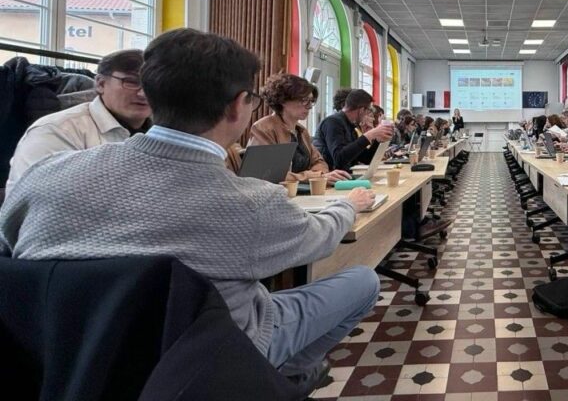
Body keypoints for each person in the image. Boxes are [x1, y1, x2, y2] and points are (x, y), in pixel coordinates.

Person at [0, 29, 380, 395]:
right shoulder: (248, 204)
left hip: (63, 359)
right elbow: (319, 238)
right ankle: (278, 378)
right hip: (211, 354)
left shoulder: (46, 175)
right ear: (237, 105)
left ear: (151, 93)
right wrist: (346, 206)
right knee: (363, 281)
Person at [6, 49, 152, 189]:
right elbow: (45, 203)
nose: (143, 93)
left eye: (151, 84)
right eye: (131, 82)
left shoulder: (160, 133)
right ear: (101, 84)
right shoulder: (56, 131)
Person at [249, 74, 348, 185]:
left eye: (311, 101)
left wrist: (316, 176)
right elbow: (267, 175)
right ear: (283, 100)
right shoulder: (263, 128)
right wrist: (314, 176)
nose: (309, 106)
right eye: (304, 100)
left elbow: (320, 162)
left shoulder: (301, 131)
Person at [314, 89, 394, 172]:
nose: (368, 115)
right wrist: (370, 135)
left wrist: (377, 141)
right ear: (362, 110)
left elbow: (367, 159)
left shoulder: (350, 126)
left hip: (344, 177)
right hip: (329, 179)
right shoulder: (332, 122)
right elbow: (339, 159)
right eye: (369, 111)